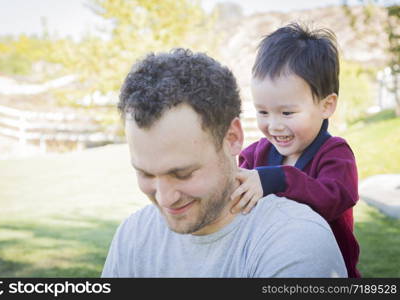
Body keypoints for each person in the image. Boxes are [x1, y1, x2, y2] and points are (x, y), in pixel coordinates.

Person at [101, 48, 347, 277]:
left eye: (183, 174)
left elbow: (335, 194)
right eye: (145, 174)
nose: (165, 199)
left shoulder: (296, 242)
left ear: (232, 138)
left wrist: (276, 178)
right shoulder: (132, 236)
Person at [229, 23, 360, 278]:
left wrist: (275, 179)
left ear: (327, 105)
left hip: (325, 271)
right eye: (263, 112)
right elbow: (235, 194)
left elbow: (331, 200)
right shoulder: (256, 155)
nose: (274, 125)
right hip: (271, 264)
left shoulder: (336, 154)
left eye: (287, 112)